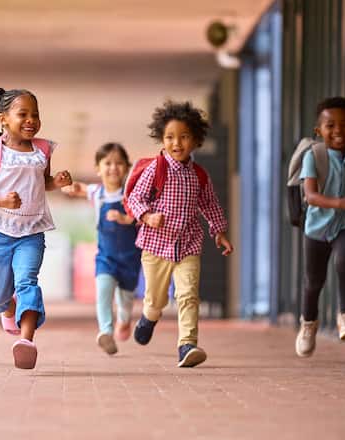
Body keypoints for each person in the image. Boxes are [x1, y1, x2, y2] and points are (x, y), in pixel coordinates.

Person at [0, 88, 72, 369]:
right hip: (0, 232)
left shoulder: (43, 150)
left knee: (27, 282)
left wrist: (57, 183)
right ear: (3, 119)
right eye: (22, 114)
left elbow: (43, 182)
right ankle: (8, 308)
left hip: (32, 231)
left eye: (35, 115)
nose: (31, 120)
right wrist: (0, 200)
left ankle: (26, 341)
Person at [127, 100, 233, 368]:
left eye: (184, 137)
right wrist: (148, 216)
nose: (177, 143)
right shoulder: (156, 168)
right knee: (157, 299)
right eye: (170, 137)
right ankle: (149, 317)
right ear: (162, 140)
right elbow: (137, 197)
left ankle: (187, 344)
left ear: (196, 141)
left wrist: (219, 231)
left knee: (188, 294)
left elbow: (209, 203)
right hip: (156, 246)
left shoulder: (199, 174)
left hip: (188, 244)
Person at [296, 96, 345, 357]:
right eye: (330, 126)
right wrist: (343, 202)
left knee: (344, 260)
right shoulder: (314, 156)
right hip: (317, 229)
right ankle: (308, 325)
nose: (338, 131)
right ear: (319, 131)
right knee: (313, 282)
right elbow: (311, 196)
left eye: (344, 125)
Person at [62, 142, 141, 355]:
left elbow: (141, 215)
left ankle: (124, 320)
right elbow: (81, 188)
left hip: (130, 259)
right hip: (106, 256)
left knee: (125, 302)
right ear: (98, 168)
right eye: (107, 163)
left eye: (118, 163)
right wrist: (71, 187)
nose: (113, 168)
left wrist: (125, 218)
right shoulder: (97, 192)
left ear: (126, 168)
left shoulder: (131, 194)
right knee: (103, 291)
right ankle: (105, 332)